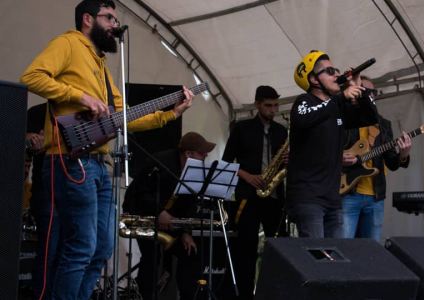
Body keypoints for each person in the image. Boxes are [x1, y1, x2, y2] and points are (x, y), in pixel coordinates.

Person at [19, 1, 196, 299]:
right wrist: (81, 97)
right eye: (109, 17)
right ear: (88, 19)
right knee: (81, 246)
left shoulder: (101, 64)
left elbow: (123, 116)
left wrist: (170, 113)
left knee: (101, 249)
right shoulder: (68, 43)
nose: (115, 24)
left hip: (100, 164)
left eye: (116, 18)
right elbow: (31, 77)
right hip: (72, 160)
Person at [286, 51, 378, 238]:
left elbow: (370, 117)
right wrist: (341, 97)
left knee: (334, 259)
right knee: (314, 257)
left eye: (336, 69)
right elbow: (305, 118)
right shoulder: (304, 101)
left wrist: (359, 86)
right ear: (313, 79)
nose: (337, 74)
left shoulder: (337, 107)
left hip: (333, 198)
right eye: (329, 71)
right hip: (308, 197)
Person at [123, 132, 216, 300]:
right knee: (152, 258)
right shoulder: (160, 162)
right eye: (202, 154)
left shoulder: (193, 171)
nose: (206, 156)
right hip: (142, 216)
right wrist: (159, 212)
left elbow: (189, 202)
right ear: (189, 154)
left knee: (190, 253)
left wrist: (185, 231)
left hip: (168, 219)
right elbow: (139, 193)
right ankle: (146, 296)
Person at [222, 85, 288, 300]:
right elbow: (226, 162)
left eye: (275, 106)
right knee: (246, 250)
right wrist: (247, 176)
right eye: (268, 105)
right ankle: (245, 296)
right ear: (257, 104)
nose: (273, 110)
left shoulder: (281, 131)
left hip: (275, 196)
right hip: (248, 196)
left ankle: (275, 293)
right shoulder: (241, 128)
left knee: (279, 249)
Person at [340, 76, 412, 242]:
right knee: (343, 247)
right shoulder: (342, 119)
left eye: (374, 92)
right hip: (348, 193)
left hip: (375, 196)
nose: (373, 95)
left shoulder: (382, 124)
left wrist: (403, 155)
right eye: (368, 91)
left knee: (371, 252)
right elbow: (327, 150)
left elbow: (391, 162)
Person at [25, 103, 60, 300]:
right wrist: (34, 140)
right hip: (47, 189)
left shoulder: (82, 113)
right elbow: (27, 139)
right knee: (49, 250)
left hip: (76, 190)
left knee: (71, 249)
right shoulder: (39, 111)